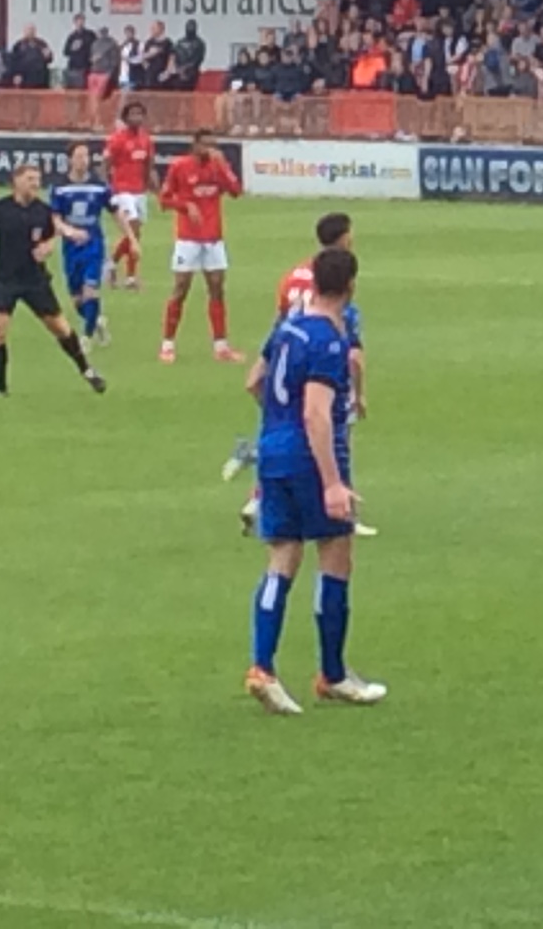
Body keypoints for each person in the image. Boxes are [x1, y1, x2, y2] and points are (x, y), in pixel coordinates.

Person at [243, 246, 385, 714]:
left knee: (282, 553)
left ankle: (261, 667)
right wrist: (331, 482)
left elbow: (254, 381)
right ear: (350, 286)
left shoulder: (285, 327)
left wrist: (276, 428)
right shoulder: (328, 340)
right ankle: (333, 673)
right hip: (310, 456)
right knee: (335, 554)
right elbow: (316, 413)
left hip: (273, 451)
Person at [0, 162, 108, 399]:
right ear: (17, 181)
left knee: (61, 329)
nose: (36, 184)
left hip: (35, 281)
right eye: (31, 179)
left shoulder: (42, 211)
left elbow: (53, 237)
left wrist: (46, 248)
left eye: (37, 179)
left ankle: (88, 371)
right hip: (6, 281)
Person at [158, 129, 244, 364]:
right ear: (194, 145)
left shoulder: (217, 167)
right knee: (181, 288)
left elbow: (236, 192)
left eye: (213, 144)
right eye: (205, 144)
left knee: (217, 288)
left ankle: (221, 346)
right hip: (188, 238)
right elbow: (164, 199)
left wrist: (224, 167)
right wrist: (186, 206)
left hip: (214, 237)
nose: (209, 149)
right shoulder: (180, 167)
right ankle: (167, 345)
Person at [48, 143, 117, 349]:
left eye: (86, 156)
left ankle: (85, 338)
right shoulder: (59, 187)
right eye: (78, 156)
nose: (83, 160)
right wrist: (67, 231)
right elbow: (55, 218)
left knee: (90, 291)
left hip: (93, 245)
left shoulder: (100, 186)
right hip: (70, 249)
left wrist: (130, 237)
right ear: (70, 159)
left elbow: (115, 211)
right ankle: (96, 322)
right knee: (77, 299)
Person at [104, 100, 157, 291]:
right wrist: (106, 189)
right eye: (133, 114)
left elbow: (149, 166)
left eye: (140, 114)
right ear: (126, 118)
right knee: (132, 229)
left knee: (136, 234)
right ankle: (130, 276)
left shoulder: (146, 140)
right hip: (122, 190)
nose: (137, 117)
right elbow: (106, 164)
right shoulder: (117, 139)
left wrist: (155, 187)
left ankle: (113, 264)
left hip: (139, 191)